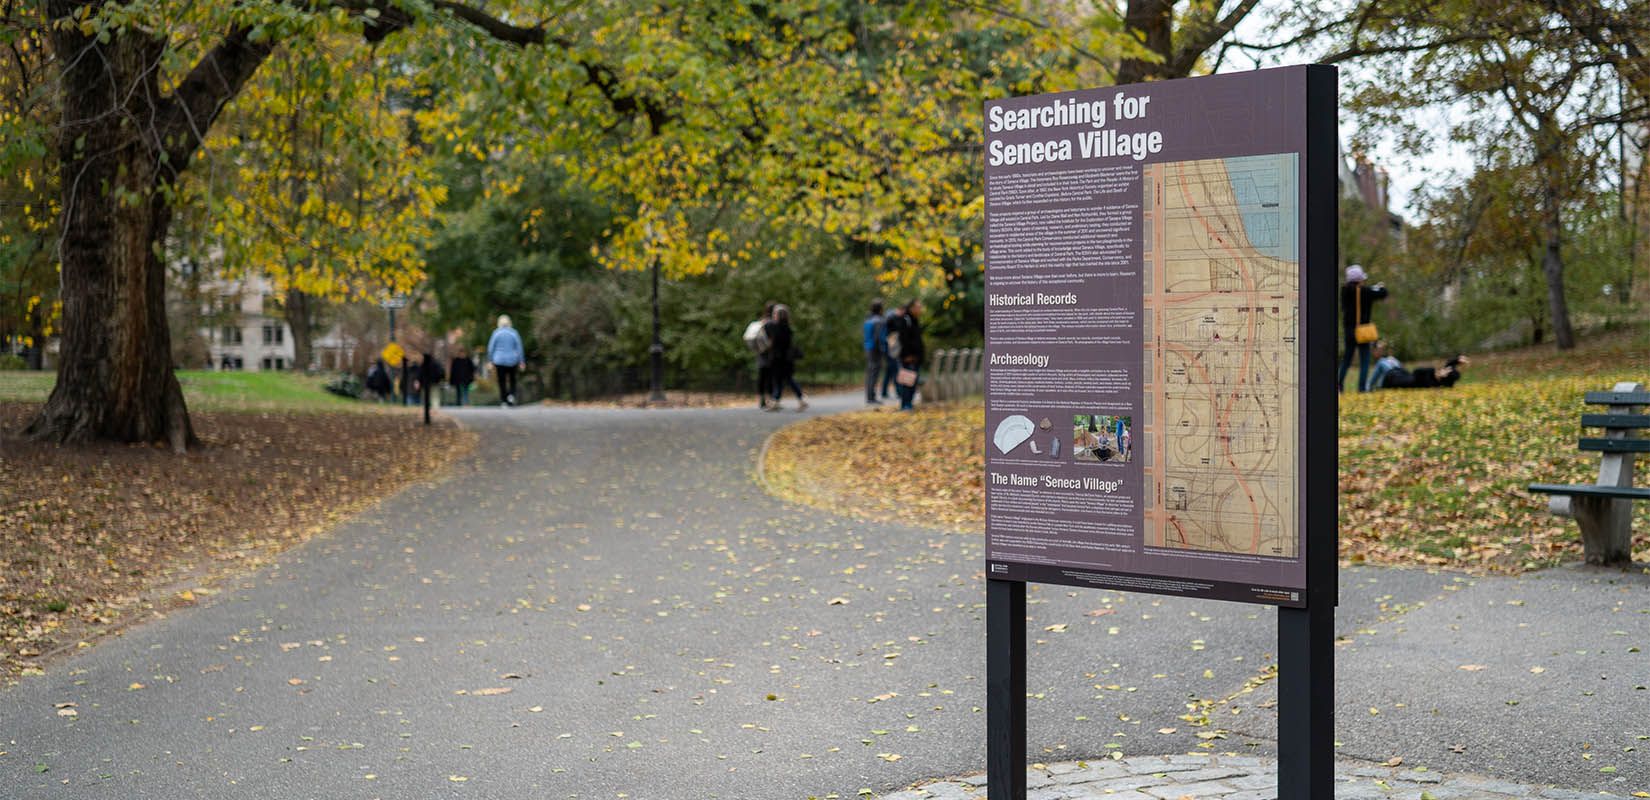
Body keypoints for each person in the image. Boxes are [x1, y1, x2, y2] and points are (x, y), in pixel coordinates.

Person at [1338, 264, 1388, 393]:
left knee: (1347, 359)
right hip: (1362, 331)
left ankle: (1339, 385)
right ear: (1359, 279)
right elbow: (1383, 293)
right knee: (1364, 360)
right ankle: (1361, 388)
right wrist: (1380, 287)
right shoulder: (1366, 291)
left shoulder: (1344, 291)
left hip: (1349, 330)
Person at [763, 304, 808, 411]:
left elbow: (768, 336)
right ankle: (776, 402)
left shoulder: (775, 327)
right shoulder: (788, 328)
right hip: (787, 360)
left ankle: (801, 400)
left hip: (779, 359)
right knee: (782, 380)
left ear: (777, 315)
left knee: (783, 380)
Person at [891, 298, 925, 411]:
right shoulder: (906, 320)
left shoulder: (914, 320)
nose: (920, 309)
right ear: (911, 308)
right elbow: (903, 339)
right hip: (908, 357)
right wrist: (907, 355)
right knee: (907, 381)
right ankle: (905, 404)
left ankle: (908, 403)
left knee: (912, 380)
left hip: (915, 356)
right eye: (918, 307)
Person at [488, 314, 524, 407]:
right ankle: (511, 396)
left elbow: (491, 348)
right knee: (512, 379)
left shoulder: (496, 333)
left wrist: (490, 360)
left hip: (499, 360)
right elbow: (519, 347)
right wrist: (521, 361)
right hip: (512, 360)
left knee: (501, 380)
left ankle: (504, 400)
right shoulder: (514, 333)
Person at [747, 301, 776, 409]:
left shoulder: (761, 321)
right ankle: (769, 399)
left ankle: (761, 398)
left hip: (760, 352)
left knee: (762, 376)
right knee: (770, 377)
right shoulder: (773, 323)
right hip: (769, 353)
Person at [880, 303, 906, 400]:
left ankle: (884, 391)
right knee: (894, 369)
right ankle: (899, 392)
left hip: (893, 347)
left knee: (890, 371)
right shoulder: (890, 318)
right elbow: (888, 335)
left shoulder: (896, 318)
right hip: (891, 348)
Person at [863, 299, 886, 405]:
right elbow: (878, 338)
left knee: (870, 372)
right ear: (880, 309)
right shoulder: (879, 321)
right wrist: (883, 350)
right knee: (874, 373)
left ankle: (869, 396)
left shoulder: (867, 320)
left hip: (868, 348)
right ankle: (871, 397)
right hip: (875, 350)